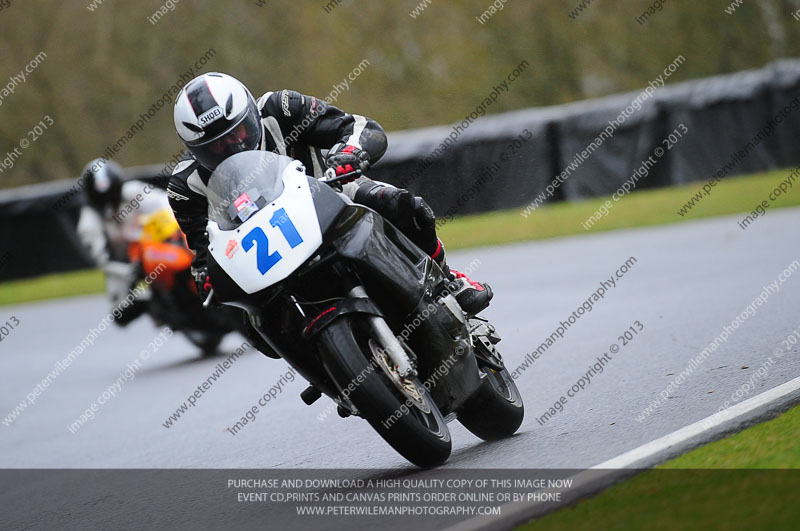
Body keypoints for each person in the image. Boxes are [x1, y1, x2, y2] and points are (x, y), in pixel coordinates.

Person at [167, 72, 492, 317]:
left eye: (236, 133)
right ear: (195, 150)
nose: (232, 147)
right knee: (246, 318)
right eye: (215, 147)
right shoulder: (186, 186)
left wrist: (349, 153)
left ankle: (447, 279)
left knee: (402, 205)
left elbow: (360, 127)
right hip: (264, 248)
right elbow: (202, 250)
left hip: (329, 192)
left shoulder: (281, 107)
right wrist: (208, 278)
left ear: (250, 115)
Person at [76, 159, 168, 325]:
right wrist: (130, 271)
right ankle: (156, 308)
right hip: (127, 265)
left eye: (113, 198)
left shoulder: (133, 191)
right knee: (120, 311)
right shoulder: (88, 222)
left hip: (159, 246)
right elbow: (103, 261)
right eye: (102, 200)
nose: (110, 206)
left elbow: (166, 203)